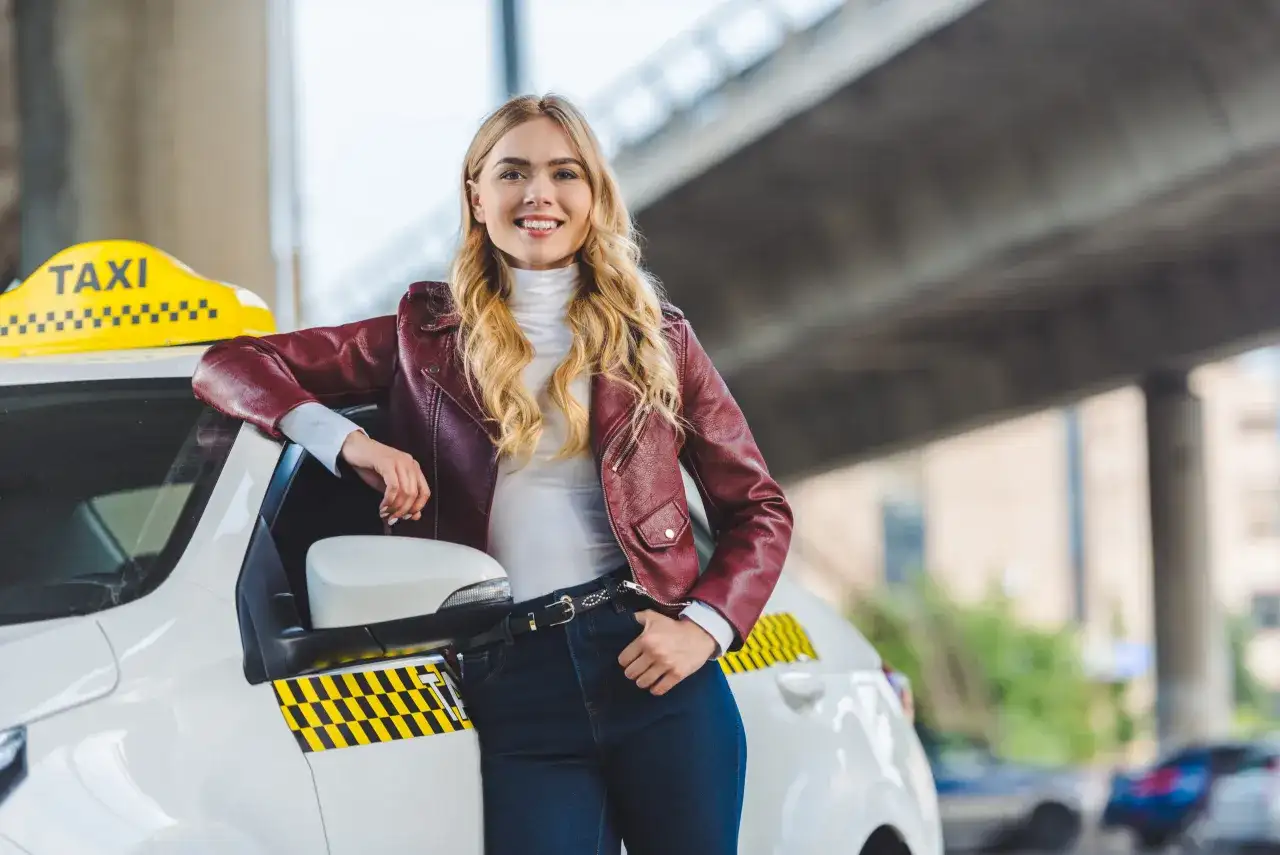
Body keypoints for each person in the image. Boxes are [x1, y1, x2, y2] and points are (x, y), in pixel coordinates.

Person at [192, 93, 793, 855]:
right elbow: (230, 363)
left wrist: (704, 627)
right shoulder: (422, 336)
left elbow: (760, 507)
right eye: (513, 173)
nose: (538, 194)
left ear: (594, 196)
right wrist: (348, 443)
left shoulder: (659, 340)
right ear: (477, 196)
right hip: (508, 677)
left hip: (654, 670)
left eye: (564, 173)